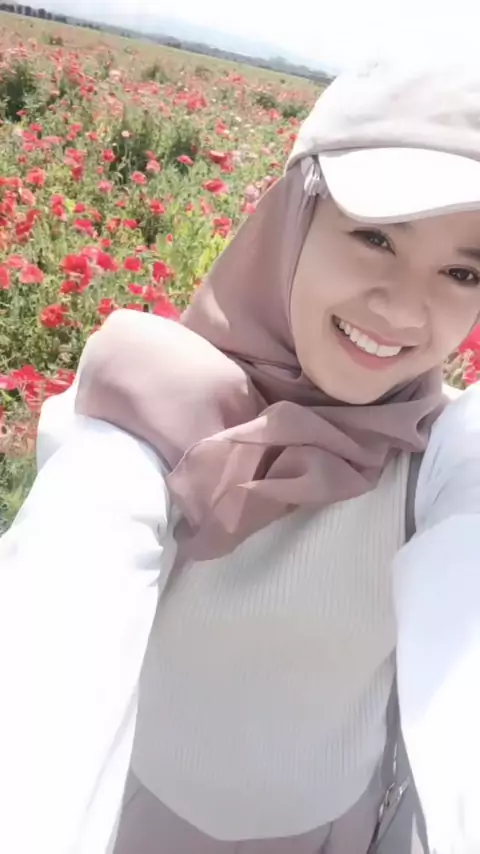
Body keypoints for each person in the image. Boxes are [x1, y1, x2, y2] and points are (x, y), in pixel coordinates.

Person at [2, 58, 480, 854]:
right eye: (375, 237)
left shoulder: (440, 457)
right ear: (293, 216)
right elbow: (47, 661)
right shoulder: (152, 420)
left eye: (462, 271)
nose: (403, 309)